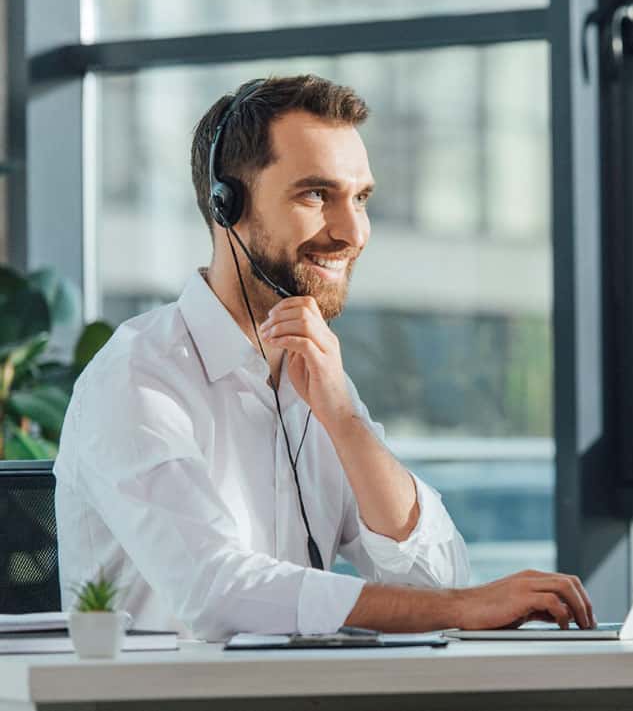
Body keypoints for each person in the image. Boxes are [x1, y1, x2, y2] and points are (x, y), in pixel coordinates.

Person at [55, 75, 594, 640]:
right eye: (316, 195)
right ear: (226, 205)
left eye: (360, 198)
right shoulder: (137, 377)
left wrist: (344, 418)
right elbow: (217, 593)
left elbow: (438, 581)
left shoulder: (313, 374)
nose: (353, 231)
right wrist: (461, 607)